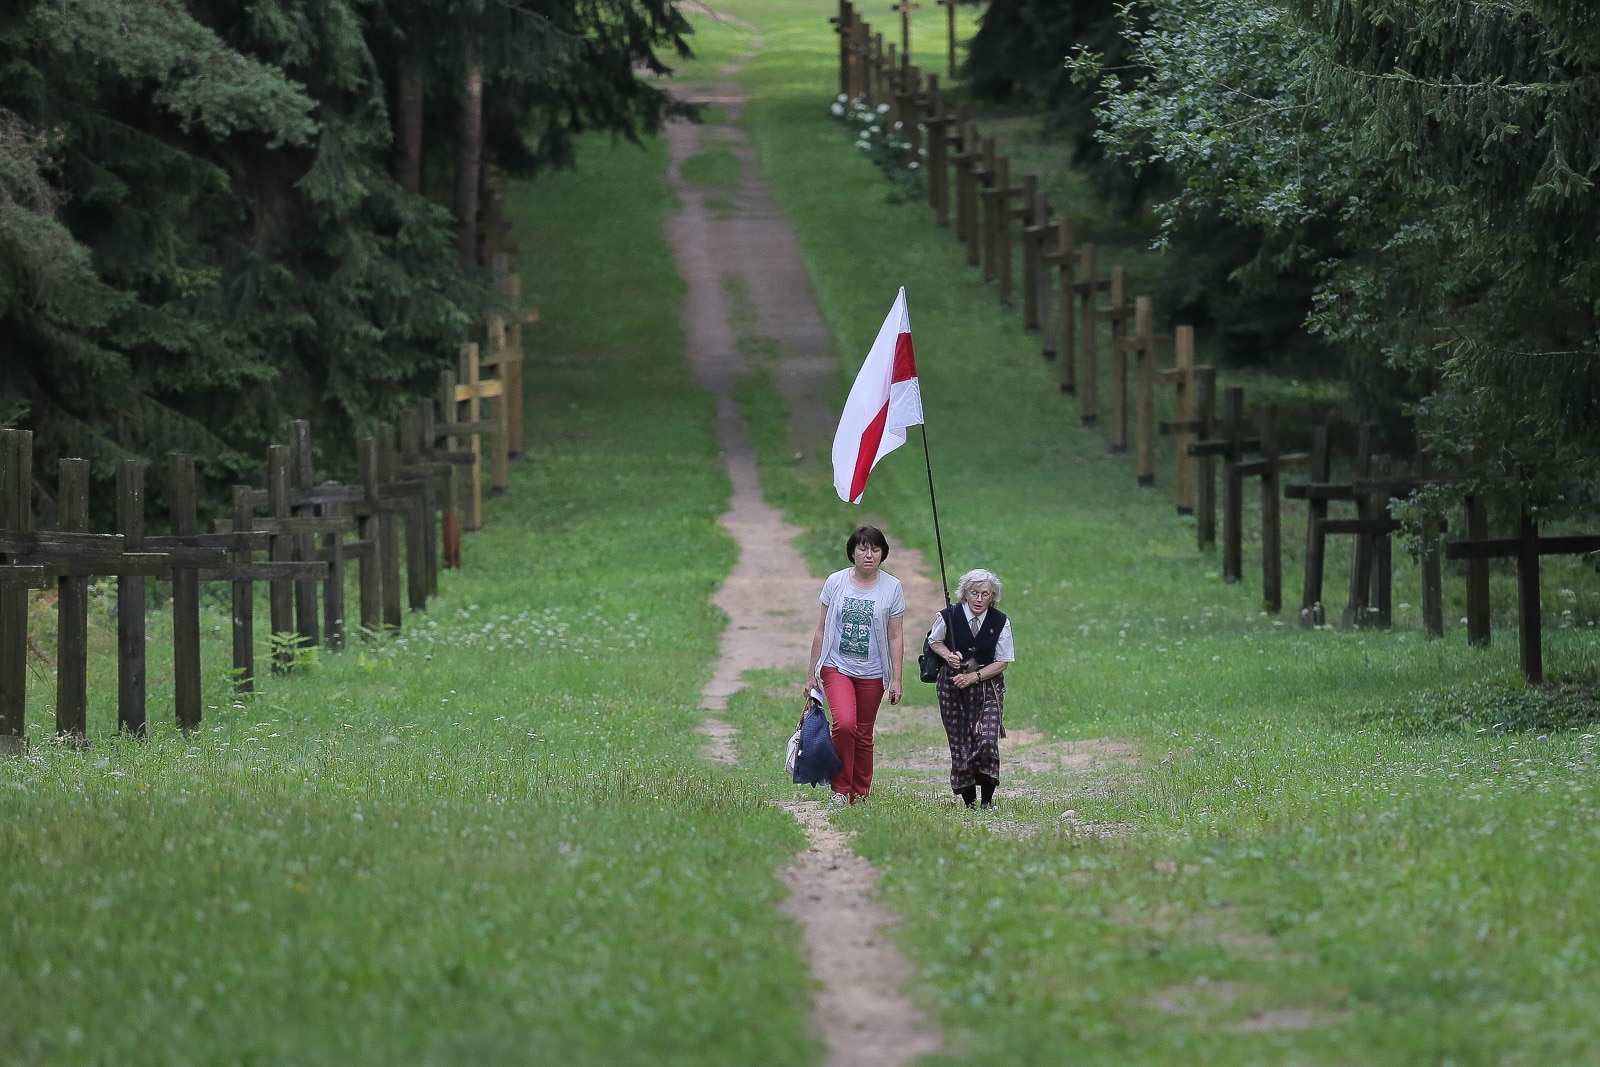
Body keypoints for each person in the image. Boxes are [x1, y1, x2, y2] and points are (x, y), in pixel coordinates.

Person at [806, 525, 905, 805]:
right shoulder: (836, 582)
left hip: (873, 671)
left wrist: (897, 679)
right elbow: (821, 629)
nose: (869, 555)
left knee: (863, 734)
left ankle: (859, 793)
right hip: (836, 666)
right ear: (852, 552)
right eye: (862, 548)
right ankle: (840, 790)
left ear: (883, 554)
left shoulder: (892, 587)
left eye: (875, 549)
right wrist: (811, 674)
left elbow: (896, 636)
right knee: (846, 725)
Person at [926, 568, 1013, 808]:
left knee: (987, 738)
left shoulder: (1000, 621)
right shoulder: (949, 615)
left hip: (987, 687)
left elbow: (1003, 661)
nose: (979, 599)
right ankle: (970, 803)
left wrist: (974, 677)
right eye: (974, 593)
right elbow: (934, 641)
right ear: (965, 593)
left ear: (992, 597)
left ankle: (987, 801)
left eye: (985, 594)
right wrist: (948, 656)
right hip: (952, 686)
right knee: (960, 742)